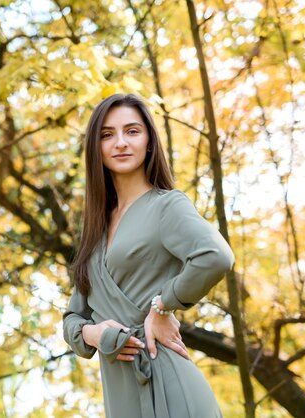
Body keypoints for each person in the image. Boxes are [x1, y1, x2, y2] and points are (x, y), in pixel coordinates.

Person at [63, 93, 234, 418]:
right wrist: (92, 333)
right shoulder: (95, 232)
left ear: (149, 142)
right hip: (121, 396)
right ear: (95, 148)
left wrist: (162, 306)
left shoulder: (167, 205)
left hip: (170, 385)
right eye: (107, 134)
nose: (121, 143)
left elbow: (216, 255)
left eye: (132, 131)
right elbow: (73, 317)